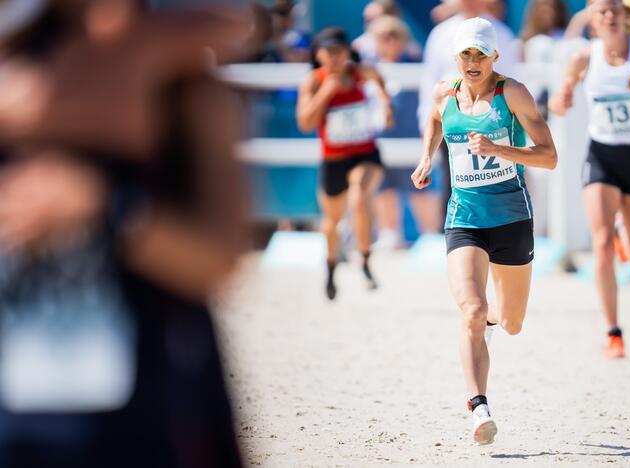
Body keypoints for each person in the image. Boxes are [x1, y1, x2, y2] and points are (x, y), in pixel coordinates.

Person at [0, 1, 253, 466]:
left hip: (152, 407)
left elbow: (218, 261)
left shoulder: (185, 87)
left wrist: (111, 210)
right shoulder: (20, 65)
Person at [411, 17, 557, 445]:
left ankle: (493, 319)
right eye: (465, 54)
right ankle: (479, 407)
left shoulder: (511, 93)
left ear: (495, 56)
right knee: (471, 312)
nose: (472, 62)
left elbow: (549, 157)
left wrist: (498, 149)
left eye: (480, 53)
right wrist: (426, 158)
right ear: (455, 57)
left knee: (509, 322)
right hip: (465, 219)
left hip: (512, 218)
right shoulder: (445, 94)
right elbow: (436, 121)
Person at [550, 0, 630, 358]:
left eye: (614, 11)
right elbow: (557, 105)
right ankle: (613, 331)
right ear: (591, 20)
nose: (609, 17)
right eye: (601, 12)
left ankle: (627, 233)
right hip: (603, 157)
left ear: (625, 16)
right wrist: (562, 100)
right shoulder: (583, 58)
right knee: (601, 242)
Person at [297, 27, 393, 299]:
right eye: (330, 53)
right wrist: (327, 92)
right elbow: (305, 122)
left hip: (365, 153)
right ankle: (330, 269)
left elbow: (379, 79)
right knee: (332, 221)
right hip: (334, 158)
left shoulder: (360, 72)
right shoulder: (314, 81)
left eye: (340, 52)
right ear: (319, 55)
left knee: (360, 197)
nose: (336, 59)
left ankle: (364, 260)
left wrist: (386, 105)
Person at [419, 0, 521, 224]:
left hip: (493, 121)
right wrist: (426, 121)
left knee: (499, 180)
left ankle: (499, 231)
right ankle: (453, 237)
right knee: (453, 182)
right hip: (453, 119)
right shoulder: (441, 33)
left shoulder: (501, 33)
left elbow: (513, 80)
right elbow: (430, 79)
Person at [367, 15, 439, 250]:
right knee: (383, 188)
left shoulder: (415, 62)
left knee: (420, 187)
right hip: (379, 140)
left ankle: (431, 237)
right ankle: (390, 235)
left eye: (393, 36)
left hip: (411, 138)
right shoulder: (370, 67)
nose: (387, 41)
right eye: (381, 37)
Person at [352, 0, 420, 65]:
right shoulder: (358, 47)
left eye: (374, 19)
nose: (370, 24)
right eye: (367, 20)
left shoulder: (412, 51)